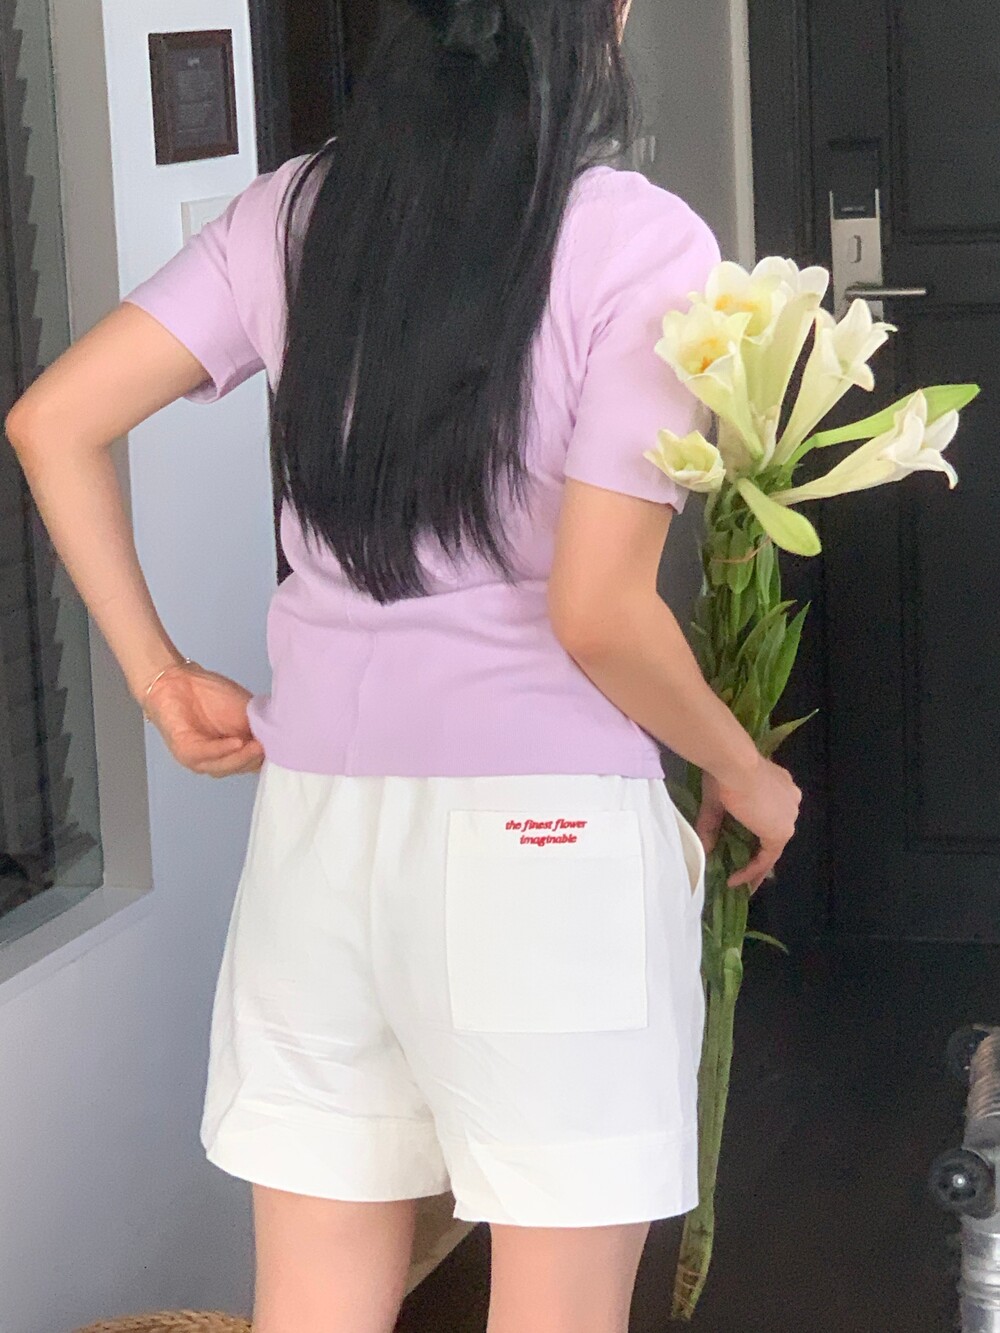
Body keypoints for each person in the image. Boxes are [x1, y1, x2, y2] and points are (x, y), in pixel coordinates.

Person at [6, 1, 801, 1329]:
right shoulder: (639, 240)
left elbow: (53, 420)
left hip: (318, 832)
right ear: (604, 19)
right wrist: (745, 769)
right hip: (548, 843)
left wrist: (158, 676)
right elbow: (599, 611)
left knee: (314, 1304)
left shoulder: (294, 213)